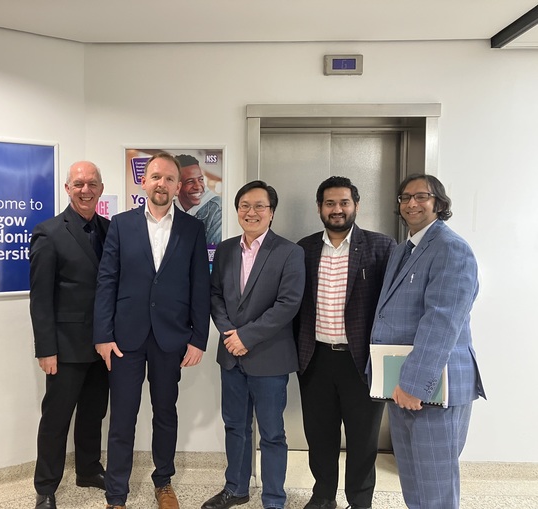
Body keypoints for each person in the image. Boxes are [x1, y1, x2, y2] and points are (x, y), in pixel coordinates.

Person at [94, 152, 211, 509]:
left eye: (169, 178)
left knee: (165, 413)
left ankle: (163, 482)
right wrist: (102, 335)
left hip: (170, 338)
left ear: (178, 186)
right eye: (156, 177)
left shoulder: (193, 228)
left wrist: (199, 338)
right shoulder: (121, 224)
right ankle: (116, 494)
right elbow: (107, 281)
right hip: (124, 340)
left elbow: (200, 285)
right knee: (122, 418)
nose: (162, 184)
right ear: (144, 182)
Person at [370, 174, 486, 509]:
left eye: (421, 196)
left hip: (432, 386)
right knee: (413, 480)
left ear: (439, 203)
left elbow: (442, 321)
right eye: (405, 197)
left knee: (435, 487)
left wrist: (414, 384)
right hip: (403, 384)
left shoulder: (451, 249)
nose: (412, 203)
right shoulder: (402, 250)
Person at [202, 180, 305, 509]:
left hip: (270, 358)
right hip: (231, 357)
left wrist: (246, 337)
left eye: (260, 206)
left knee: (272, 433)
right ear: (237, 211)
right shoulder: (225, 250)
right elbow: (215, 296)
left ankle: (274, 498)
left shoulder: (290, 252)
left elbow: (288, 304)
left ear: (271, 212)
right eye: (245, 205)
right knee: (235, 426)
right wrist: (229, 334)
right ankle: (236, 488)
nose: (252, 212)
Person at [295, 176, 396, 509]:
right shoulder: (304, 249)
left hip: (362, 362)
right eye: (329, 203)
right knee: (319, 434)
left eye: (343, 202)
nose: (336, 209)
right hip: (316, 358)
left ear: (356, 205)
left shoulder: (381, 247)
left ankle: (360, 500)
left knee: (363, 438)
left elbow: (393, 305)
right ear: (319, 208)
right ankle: (323, 495)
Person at [29, 161, 110, 509]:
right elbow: (40, 298)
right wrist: (46, 349)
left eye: (92, 184)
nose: (85, 190)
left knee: (94, 413)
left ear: (101, 189)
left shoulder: (111, 230)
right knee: (56, 419)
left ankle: (88, 470)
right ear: (67, 189)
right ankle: (46, 487)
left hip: (104, 345)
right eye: (78, 184)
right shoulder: (48, 233)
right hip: (64, 348)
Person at [175, 154, 222, 246]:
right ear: (177, 186)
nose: (198, 187)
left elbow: (213, 253)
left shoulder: (217, 208)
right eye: (190, 181)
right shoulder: (169, 208)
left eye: (201, 179)